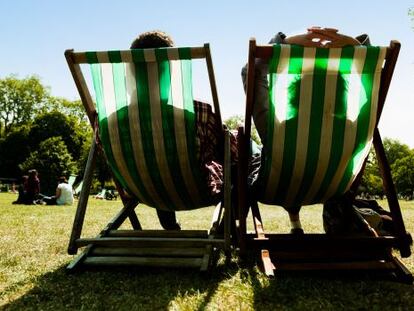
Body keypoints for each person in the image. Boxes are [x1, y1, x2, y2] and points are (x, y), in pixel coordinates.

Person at [241, 28, 368, 234]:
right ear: (340, 95)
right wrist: (352, 43)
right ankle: (297, 223)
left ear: (296, 94)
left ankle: (288, 222)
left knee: (251, 149)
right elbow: (373, 72)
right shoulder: (353, 129)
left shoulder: (279, 130)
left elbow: (250, 72)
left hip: (276, 189)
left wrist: (284, 42)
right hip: (332, 190)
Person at [130, 30, 226, 230]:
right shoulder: (199, 113)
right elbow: (222, 149)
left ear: (131, 70)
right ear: (171, 68)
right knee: (234, 151)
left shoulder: (109, 122)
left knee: (156, 168)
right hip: (196, 191)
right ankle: (228, 229)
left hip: (145, 192)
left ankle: (170, 226)